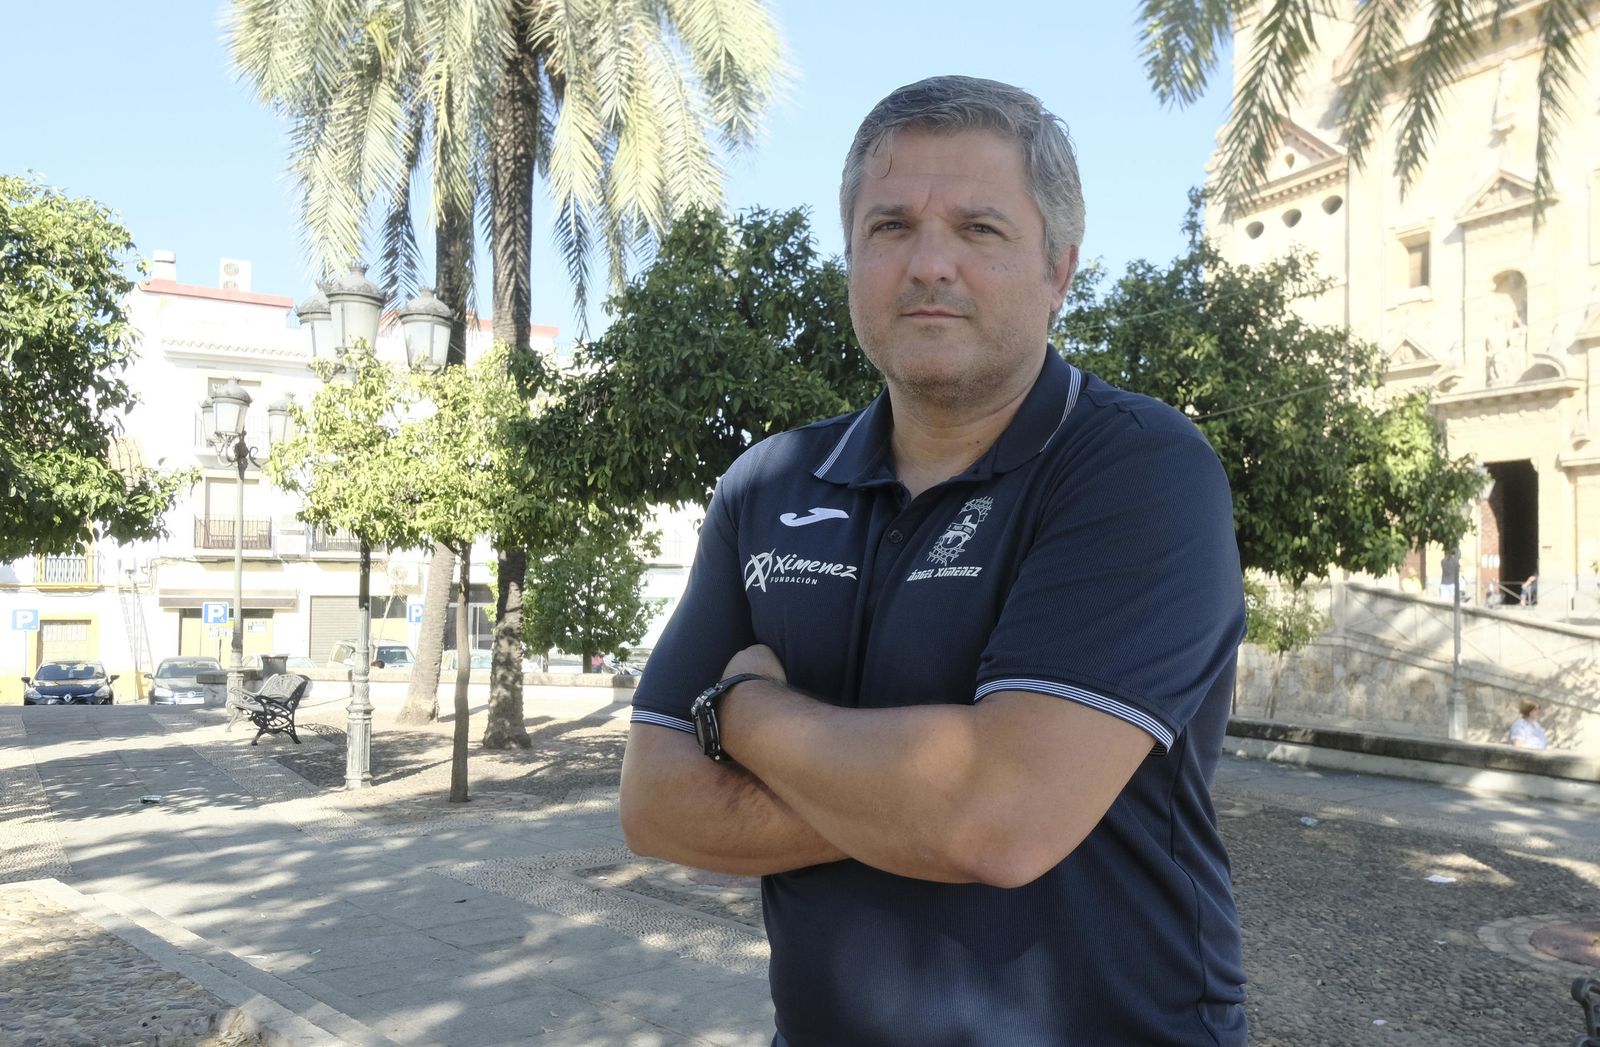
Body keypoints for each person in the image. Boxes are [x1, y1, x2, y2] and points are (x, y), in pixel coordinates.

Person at [619, 75, 1248, 1046]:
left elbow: (996, 819)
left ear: (1060, 270)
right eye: (890, 227)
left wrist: (743, 712)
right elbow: (657, 807)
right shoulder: (768, 485)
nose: (928, 265)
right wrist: (928, 801)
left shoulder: (1139, 469)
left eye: (979, 229)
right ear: (851, 260)